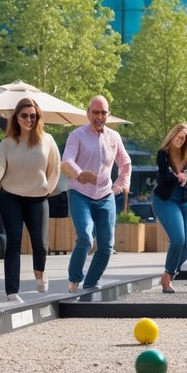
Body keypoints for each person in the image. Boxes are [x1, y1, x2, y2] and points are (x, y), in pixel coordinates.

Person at [0, 97, 61, 303]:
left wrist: (48, 188)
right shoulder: (7, 143)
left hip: (38, 198)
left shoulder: (47, 140)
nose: (29, 119)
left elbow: (55, 168)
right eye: (24, 115)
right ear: (16, 118)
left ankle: (40, 273)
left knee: (41, 245)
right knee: (13, 242)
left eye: (33, 115)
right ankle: (12, 292)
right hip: (10, 197)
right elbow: (0, 169)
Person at [61, 95, 131, 293]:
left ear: (108, 114)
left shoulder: (114, 137)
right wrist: (79, 173)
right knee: (85, 236)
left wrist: (120, 184)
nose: (99, 116)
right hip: (80, 193)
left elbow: (125, 163)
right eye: (95, 112)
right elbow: (67, 160)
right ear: (88, 113)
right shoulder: (76, 135)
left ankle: (91, 282)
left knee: (107, 245)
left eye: (103, 113)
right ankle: (75, 278)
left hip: (105, 195)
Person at [153, 123, 187, 293]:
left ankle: (168, 275)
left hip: (186, 202)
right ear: (172, 136)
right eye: (178, 137)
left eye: (184, 139)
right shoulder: (162, 154)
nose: (180, 140)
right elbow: (163, 177)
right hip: (166, 200)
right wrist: (177, 177)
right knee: (178, 239)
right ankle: (168, 276)